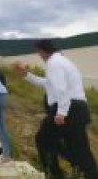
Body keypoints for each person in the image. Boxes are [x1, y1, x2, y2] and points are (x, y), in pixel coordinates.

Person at [14, 40, 97, 179]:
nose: (38, 55)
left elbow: (61, 90)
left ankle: (54, 173)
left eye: (38, 52)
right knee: (78, 147)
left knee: (43, 139)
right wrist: (26, 75)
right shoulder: (61, 61)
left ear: (43, 50)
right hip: (78, 109)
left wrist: (61, 113)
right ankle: (87, 172)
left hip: (67, 108)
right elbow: (47, 84)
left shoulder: (54, 63)